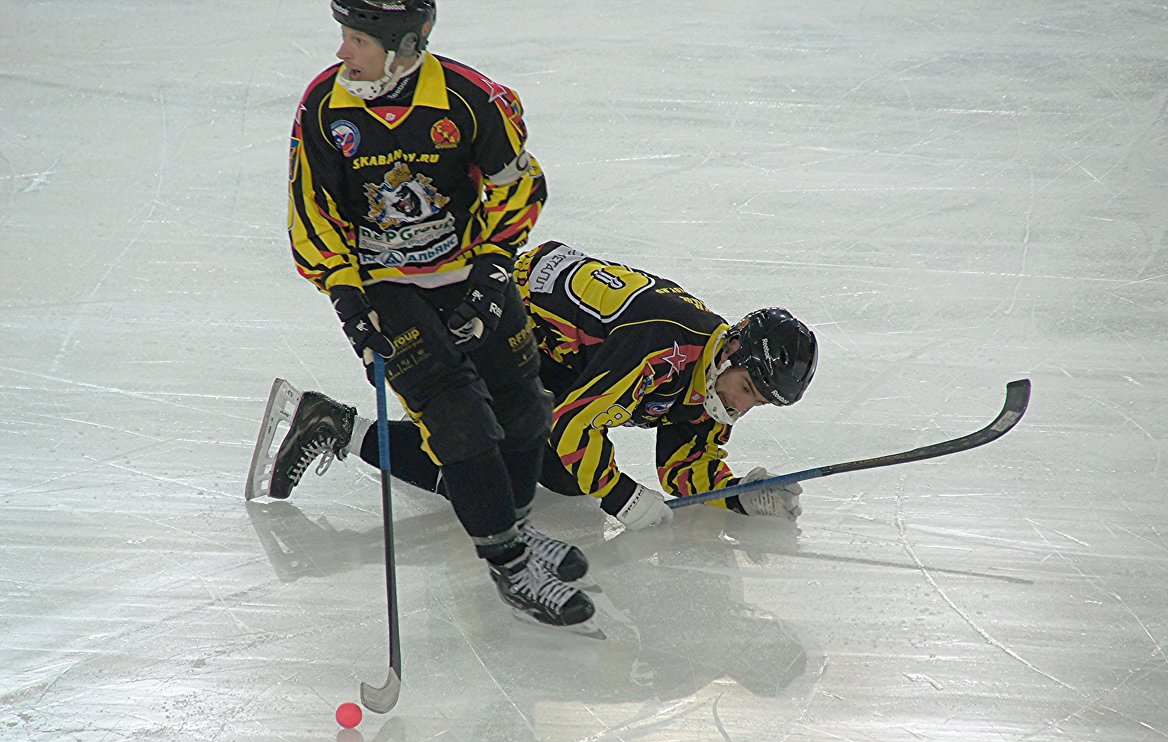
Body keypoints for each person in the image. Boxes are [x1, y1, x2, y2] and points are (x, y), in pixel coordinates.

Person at [284, 0, 593, 629]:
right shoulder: (324, 107)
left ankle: (516, 526)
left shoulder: (471, 100)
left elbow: (518, 187)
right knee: (456, 418)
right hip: (386, 287)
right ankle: (508, 563)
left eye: (358, 41)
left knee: (524, 406)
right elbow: (313, 213)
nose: (344, 53)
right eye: (343, 38)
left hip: (469, 269)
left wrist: (492, 272)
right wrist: (348, 299)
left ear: (402, 46)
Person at [261, 240, 818, 534]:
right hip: (496, 317)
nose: (740, 408)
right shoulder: (664, 349)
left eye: (758, 403)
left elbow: (682, 461)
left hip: (557, 354)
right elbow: (579, 422)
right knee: (487, 478)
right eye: (747, 387)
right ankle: (331, 422)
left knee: (561, 475)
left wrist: (734, 493)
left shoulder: (712, 370)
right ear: (733, 352)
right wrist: (622, 496)